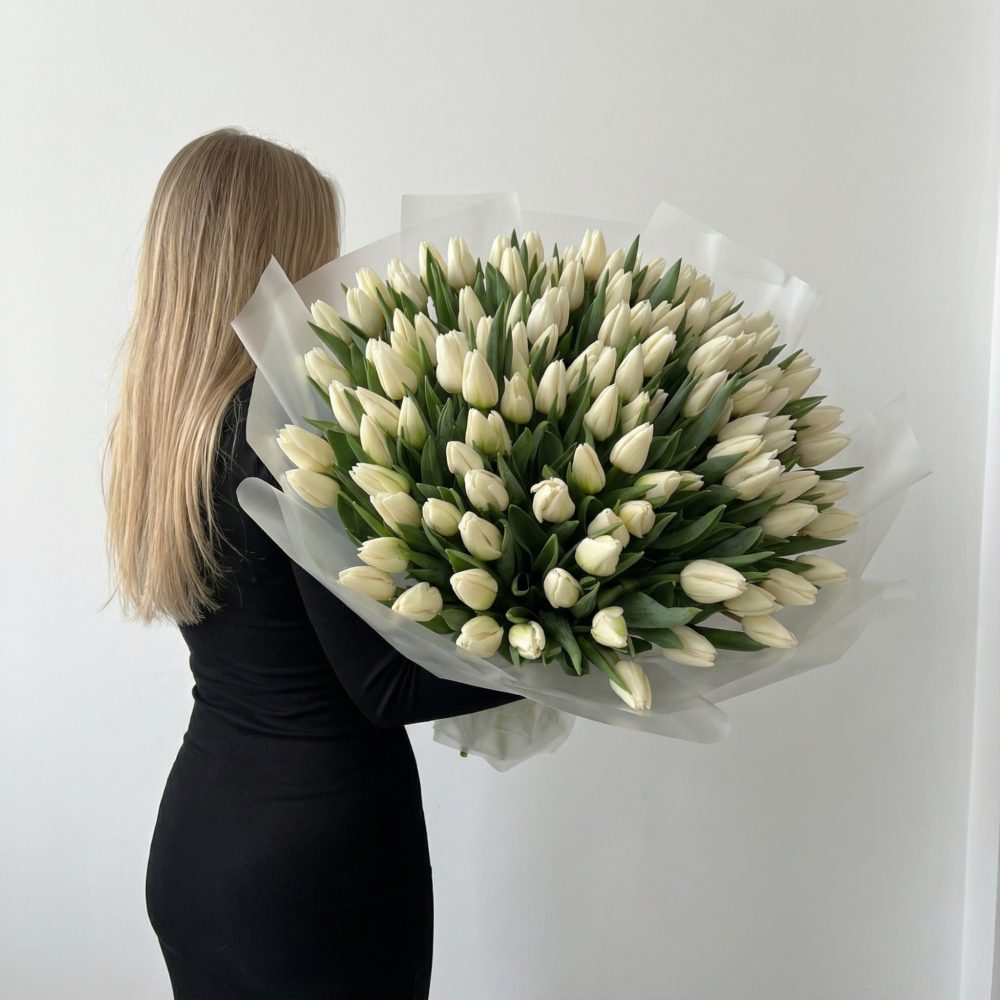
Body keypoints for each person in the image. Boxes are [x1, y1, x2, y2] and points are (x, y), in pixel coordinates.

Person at [101, 126, 524, 999]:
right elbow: (386, 687)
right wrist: (587, 646)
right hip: (318, 875)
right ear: (277, 257)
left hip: (203, 841)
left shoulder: (169, 428)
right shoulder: (286, 426)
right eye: (317, 249)